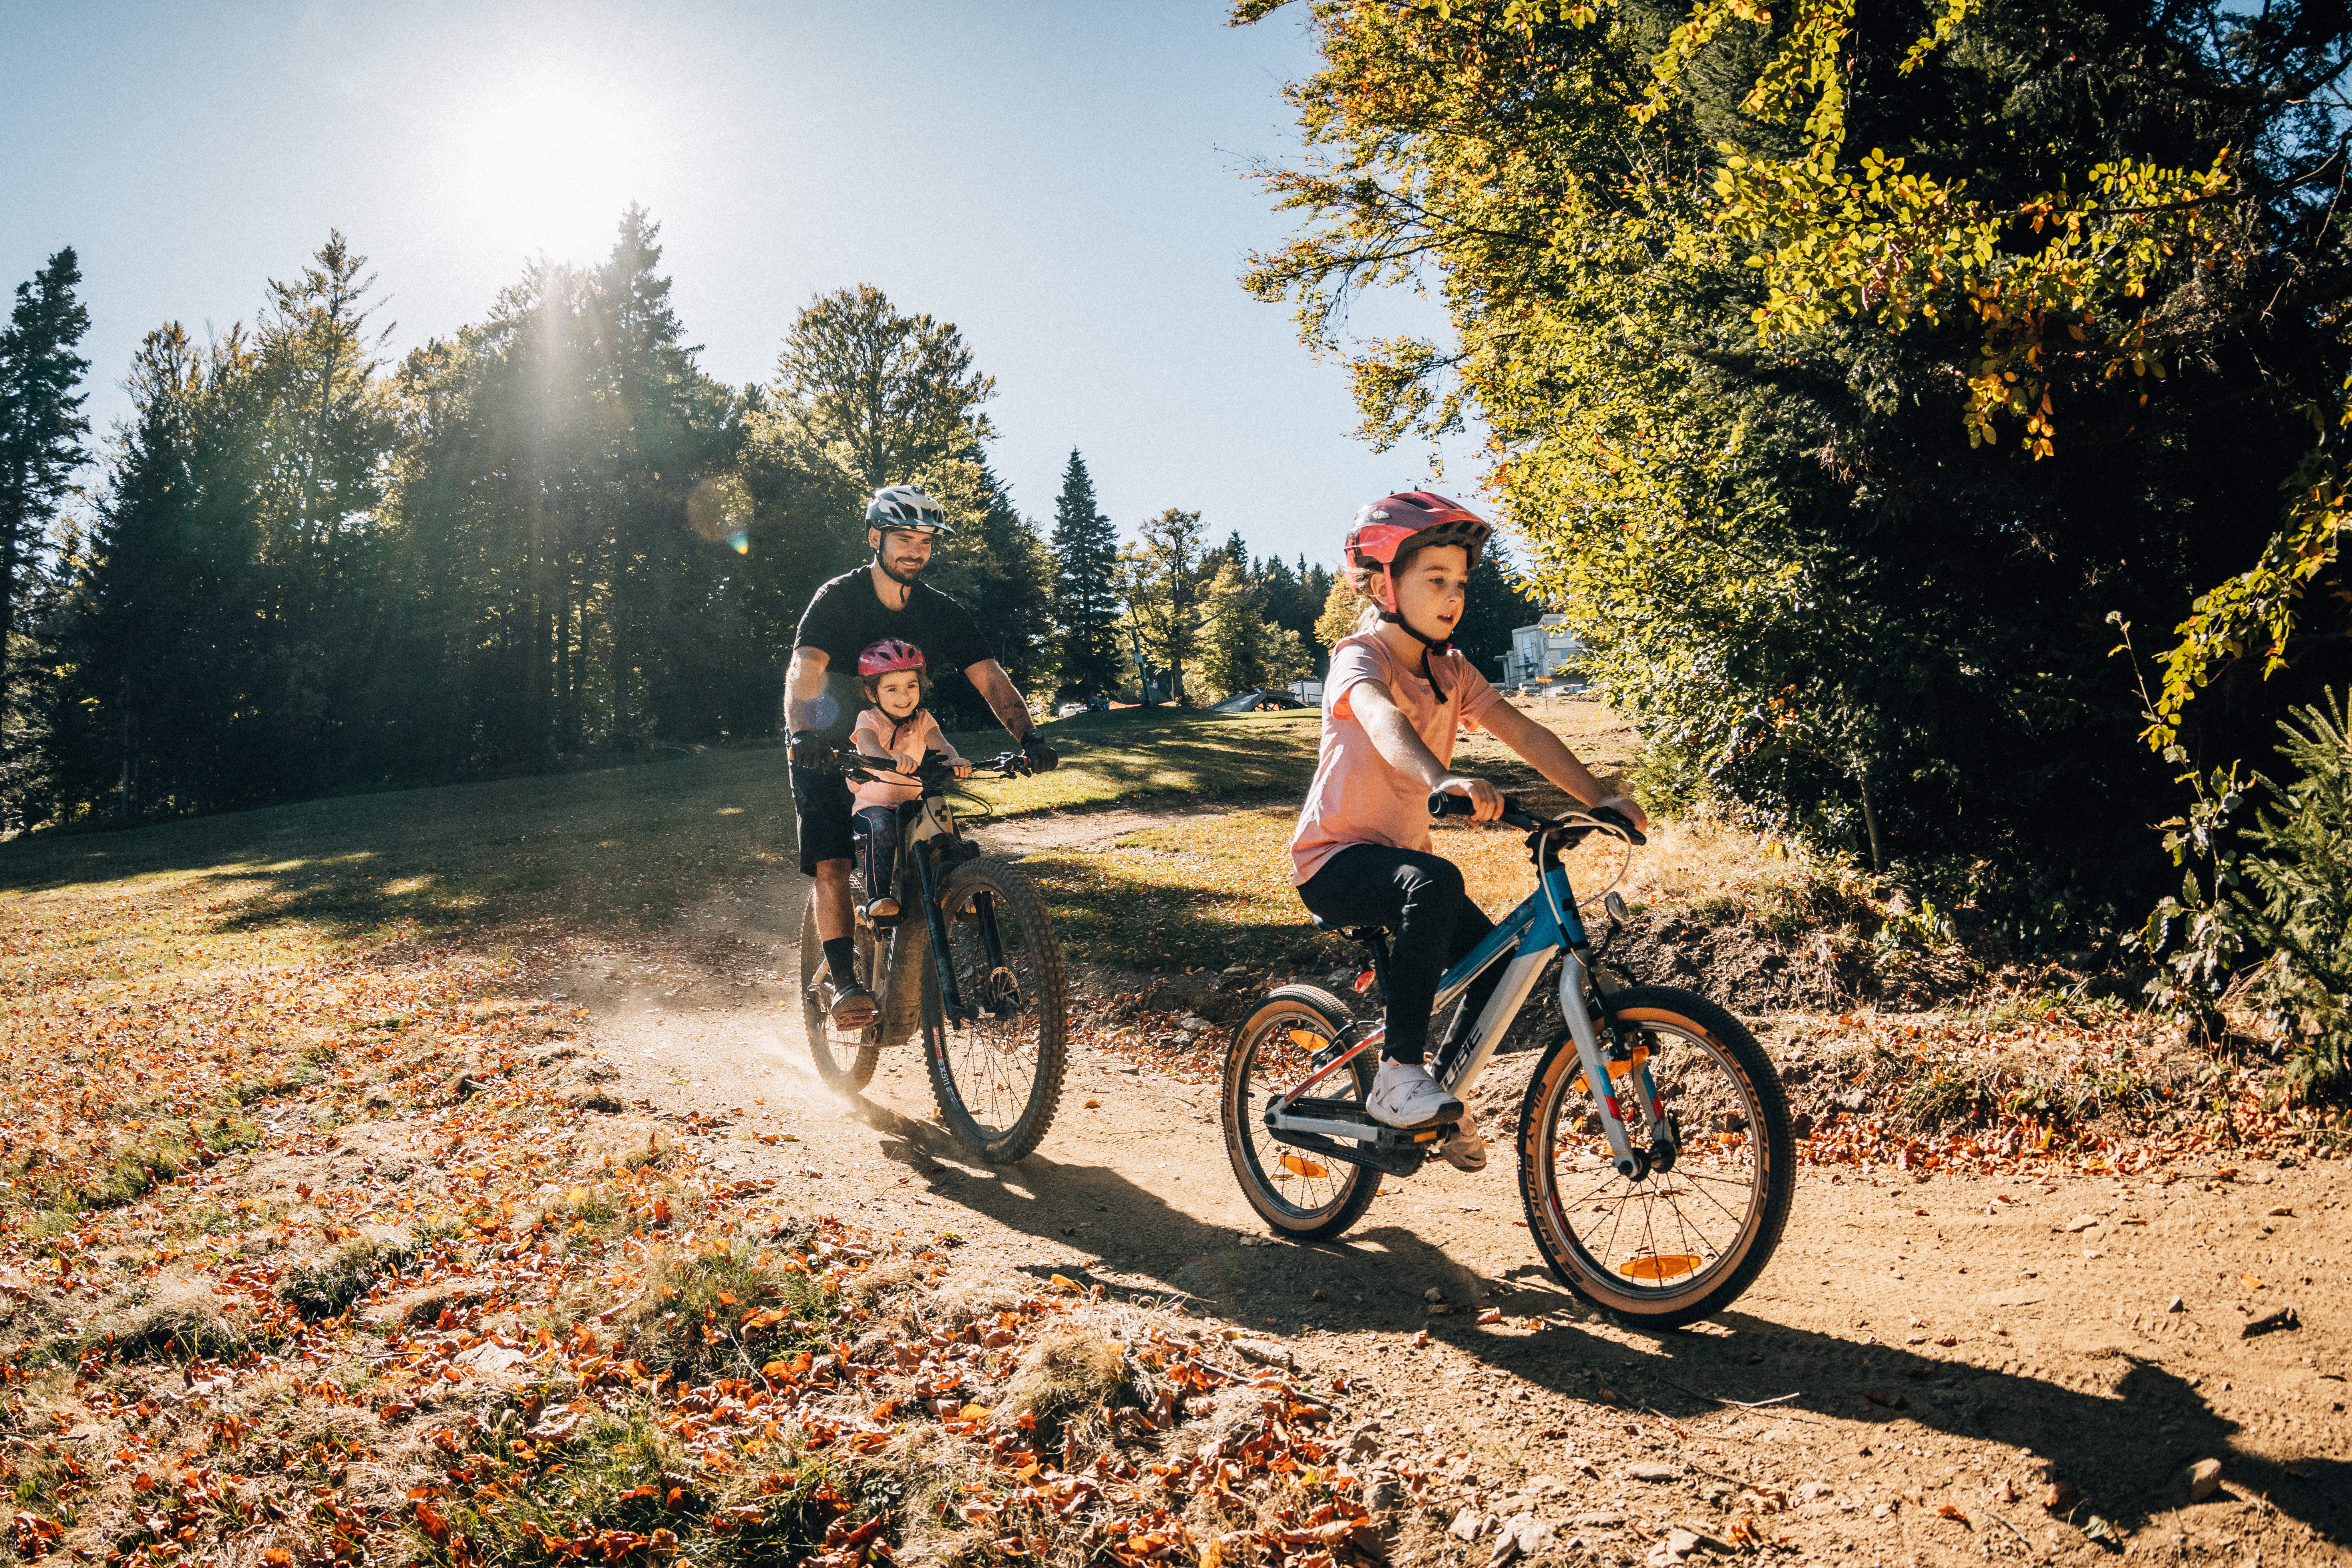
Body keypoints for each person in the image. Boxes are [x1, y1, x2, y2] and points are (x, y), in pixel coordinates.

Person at [1289, 491, 1648, 1171]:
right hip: (1333, 862)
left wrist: (1600, 796)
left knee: (1493, 962)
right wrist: (1439, 780)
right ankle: (1399, 1072)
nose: (1453, 595)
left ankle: (1439, 1096)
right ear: (1382, 583)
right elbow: (1382, 719)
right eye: (1435, 580)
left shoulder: (1452, 671)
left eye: (1460, 581)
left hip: (1400, 864)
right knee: (1437, 881)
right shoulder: (1360, 657)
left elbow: (1525, 732)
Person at [787, 486, 1058, 1027]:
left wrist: (1029, 738)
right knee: (834, 863)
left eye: (926, 541)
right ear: (875, 537)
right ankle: (844, 983)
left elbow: (991, 680)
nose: (916, 549)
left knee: (934, 826)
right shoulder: (838, 599)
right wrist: (802, 736)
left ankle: (930, 919)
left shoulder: (940, 613)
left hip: (907, 741)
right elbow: (804, 671)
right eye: (904, 538)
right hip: (830, 741)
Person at [848, 637, 971, 923]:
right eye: (892, 688)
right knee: (881, 825)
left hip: (914, 801)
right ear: (872, 692)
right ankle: (879, 897)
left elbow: (941, 744)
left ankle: (964, 890)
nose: (904, 696)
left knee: (944, 820)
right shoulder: (869, 719)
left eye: (911, 686)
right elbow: (867, 746)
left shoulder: (923, 719)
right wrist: (889, 761)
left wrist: (953, 759)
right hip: (873, 805)